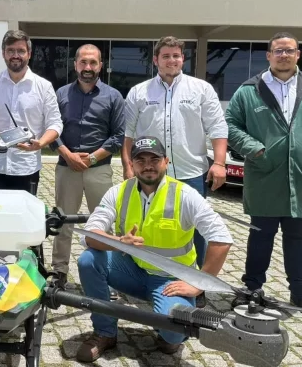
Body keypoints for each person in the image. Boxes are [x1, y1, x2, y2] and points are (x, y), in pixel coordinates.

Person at [75, 136, 233, 362]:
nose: (148, 165)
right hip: (133, 272)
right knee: (88, 260)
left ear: (166, 162)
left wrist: (199, 284)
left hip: (171, 280)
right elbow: (91, 235)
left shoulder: (184, 195)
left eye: (154, 159)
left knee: (173, 332)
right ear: (132, 164)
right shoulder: (119, 191)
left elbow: (221, 238)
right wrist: (118, 242)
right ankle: (105, 332)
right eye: (141, 160)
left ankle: (170, 338)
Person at [224, 32, 302, 320]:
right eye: (278, 51)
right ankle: (252, 289)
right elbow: (229, 124)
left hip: (301, 179)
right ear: (268, 55)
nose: (284, 55)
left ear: (298, 54)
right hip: (264, 178)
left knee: (298, 239)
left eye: (289, 50)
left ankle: (301, 294)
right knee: (260, 237)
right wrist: (253, 148)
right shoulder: (249, 90)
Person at [121, 36, 228, 306]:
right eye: (166, 56)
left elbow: (217, 128)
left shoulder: (201, 89)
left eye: (176, 56)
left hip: (191, 173)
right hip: (151, 175)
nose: (172, 60)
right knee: (148, 227)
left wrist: (219, 163)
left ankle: (199, 285)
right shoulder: (139, 92)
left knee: (198, 233)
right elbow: (128, 135)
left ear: (183, 58)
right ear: (155, 60)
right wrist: (127, 166)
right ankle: (146, 277)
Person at [48, 44, 124, 290]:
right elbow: (51, 129)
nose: (88, 67)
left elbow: (119, 136)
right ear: (75, 65)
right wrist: (68, 155)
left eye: (93, 63)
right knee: (62, 221)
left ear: (100, 65)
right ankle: (59, 272)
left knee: (102, 223)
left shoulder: (113, 96)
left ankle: (106, 275)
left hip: (98, 169)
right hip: (66, 168)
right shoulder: (60, 94)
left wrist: (90, 159)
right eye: (83, 62)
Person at [0, 30, 62, 194]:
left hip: (26, 168)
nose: (16, 55)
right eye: (11, 51)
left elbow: (55, 123)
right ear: (3, 54)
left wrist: (41, 143)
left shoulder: (44, 86)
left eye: (21, 51)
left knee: (22, 218)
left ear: (29, 54)